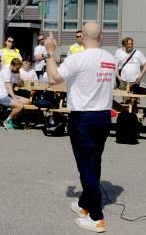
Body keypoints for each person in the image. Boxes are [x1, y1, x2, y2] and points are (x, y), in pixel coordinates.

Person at [44, 22, 115, 233]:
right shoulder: (111, 59)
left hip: (83, 116)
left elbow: (53, 78)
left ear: (82, 37)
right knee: (94, 162)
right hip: (103, 115)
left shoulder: (77, 58)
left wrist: (50, 53)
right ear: (101, 37)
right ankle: (84, 204)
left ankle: (97, 217)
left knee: (86, 166)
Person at [0, 58, 30, 130]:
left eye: (19, 68)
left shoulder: (14, 72)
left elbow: (20, 84)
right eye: (17, 68)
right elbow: (9, 87)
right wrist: (15, 98)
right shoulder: (6, 71)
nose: (17, 69)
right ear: (12, 65)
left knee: (28, 101)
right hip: (0, 96)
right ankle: (8, 120)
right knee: (20, 106)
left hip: (7, 94)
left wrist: (18, 73)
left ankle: (14, 118)